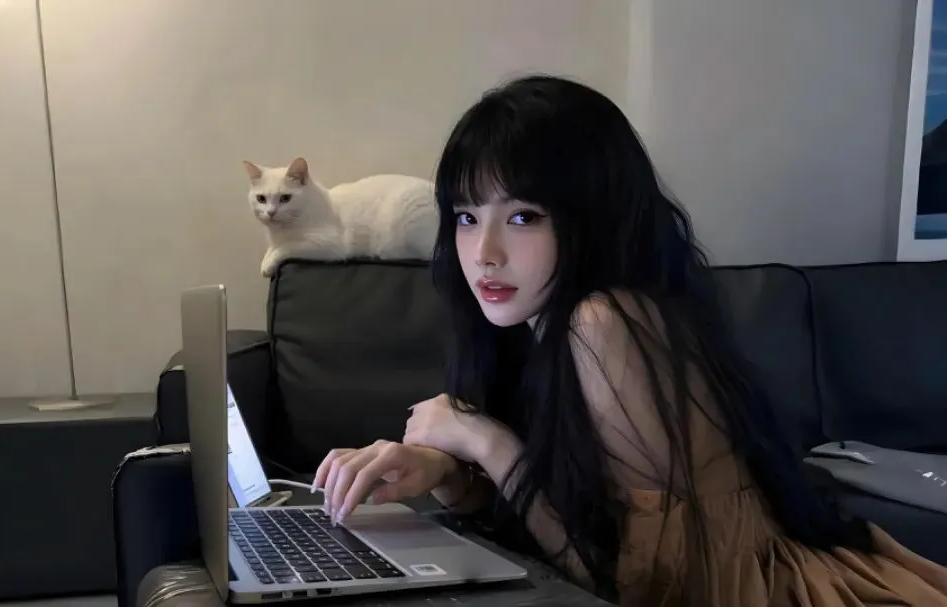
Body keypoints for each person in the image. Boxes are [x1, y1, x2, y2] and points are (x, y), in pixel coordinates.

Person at [310, 75, 947, 606]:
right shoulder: (530, 325)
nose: (484, 253)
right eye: (467, 217)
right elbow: (557, 519)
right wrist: (448, 472)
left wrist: (483, 439)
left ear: (594, 216)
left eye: (524, 216)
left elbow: (636, 586)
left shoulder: (603, 321)